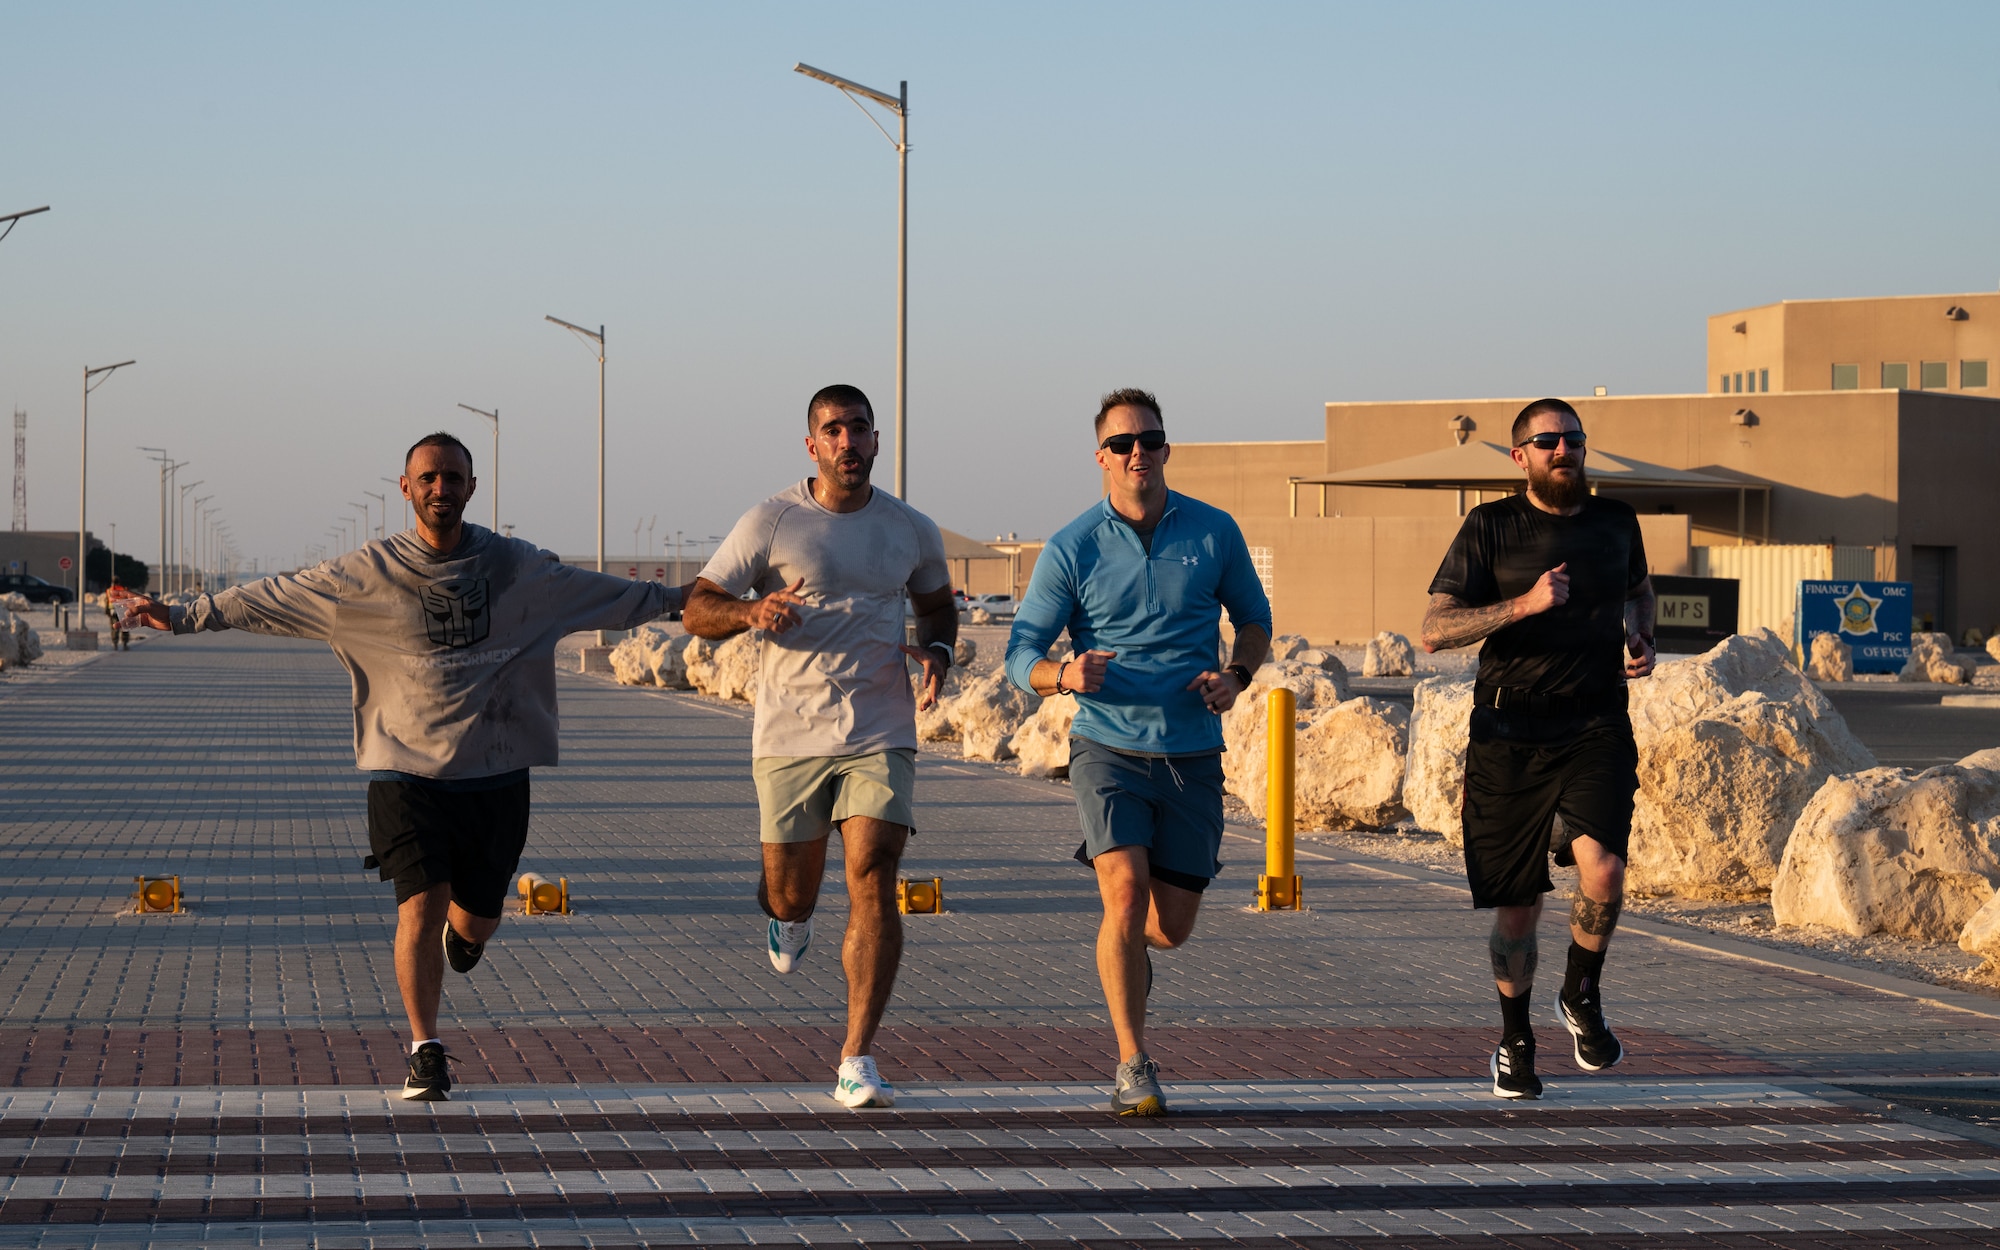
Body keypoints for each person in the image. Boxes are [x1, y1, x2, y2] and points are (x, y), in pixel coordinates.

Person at [118, 432, 690, 1102]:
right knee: (419, 906)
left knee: (475, 920)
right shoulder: (365, 575)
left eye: (453, 477)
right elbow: (267, 598)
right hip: (404, 774)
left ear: (471, 487)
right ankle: (426, 1047)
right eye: (428, 478)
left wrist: (698, 599)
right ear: (406, 487)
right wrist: (181, 614)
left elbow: (616, 597)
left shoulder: (517, 568)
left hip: (496, 775)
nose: (441, 489)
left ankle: (467, 937)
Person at [683, 383, 954, 1111]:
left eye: (858, 429)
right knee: (793, 889)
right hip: (789, 733)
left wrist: (936, 651)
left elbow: (936, 606)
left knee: (873, 867)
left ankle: (856, 1057)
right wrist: (750, 610)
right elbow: (696, 607)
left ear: (874, 441)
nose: (847, 443)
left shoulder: (911, 528)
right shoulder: (771, 521)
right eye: (832, 431)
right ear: (812, 445)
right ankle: (785, 916)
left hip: (880, 728)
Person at [1004, 388, 1272, 1117]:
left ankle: (1132, 958)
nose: (1136, 455)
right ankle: (1132, 1063)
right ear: (1101, 457)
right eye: (1122, 444)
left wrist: (1237, 677)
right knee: (1121, 897)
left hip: (1192, 754)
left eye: (1149, 441)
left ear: (1165, 450)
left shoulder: (1213, 532)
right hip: (1107, 749)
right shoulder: (1072, 546)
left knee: (1169, 928)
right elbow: (1018, 651)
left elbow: (1253, 619)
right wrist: (1062, 675)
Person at [1420, 397, 1656, 1100]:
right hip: (1508, 736)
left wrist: (1641, 633)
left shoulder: (1617, 522)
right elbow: (1435, 628)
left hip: (1594, 725)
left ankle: (1581, 992)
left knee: (1605, 869)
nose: (1564, 450)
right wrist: (1524, 604)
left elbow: (1640, 591)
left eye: (1574, 439)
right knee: (1518, 907)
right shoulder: (1490, 526)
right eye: (1547, 440)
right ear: (1519, 455)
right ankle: (1514, 1036)